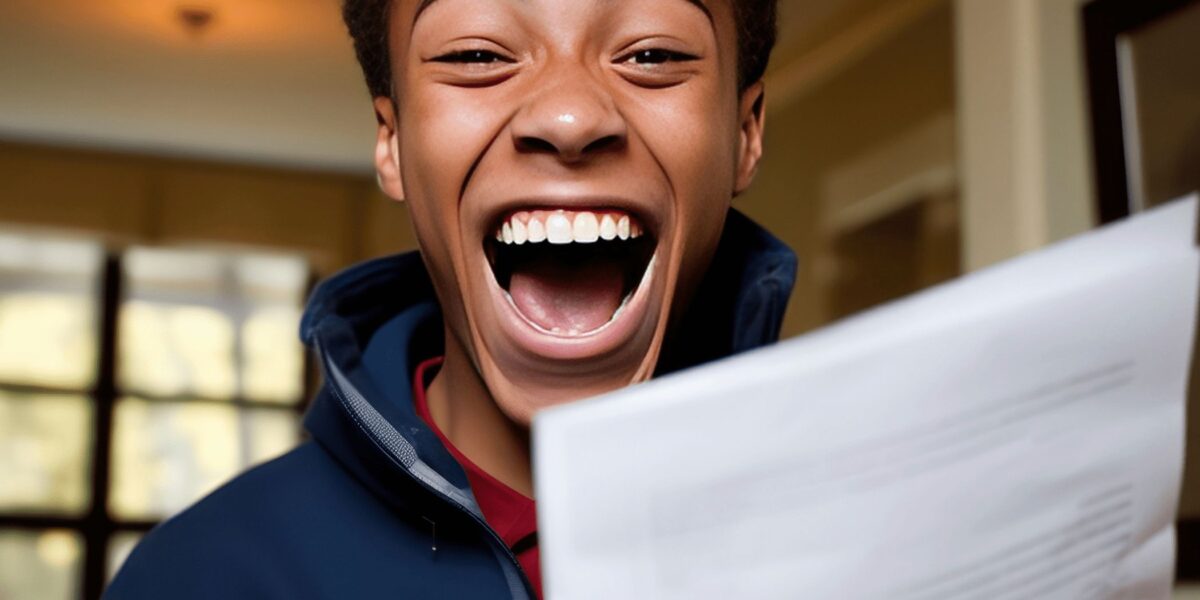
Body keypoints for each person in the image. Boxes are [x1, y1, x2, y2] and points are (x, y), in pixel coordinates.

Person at [107, 0, 794, 597]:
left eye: (652, 55)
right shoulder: (202, 575)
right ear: (393, 141)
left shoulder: (850, 536)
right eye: (476, 55)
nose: (569, 117)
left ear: (746, 133)